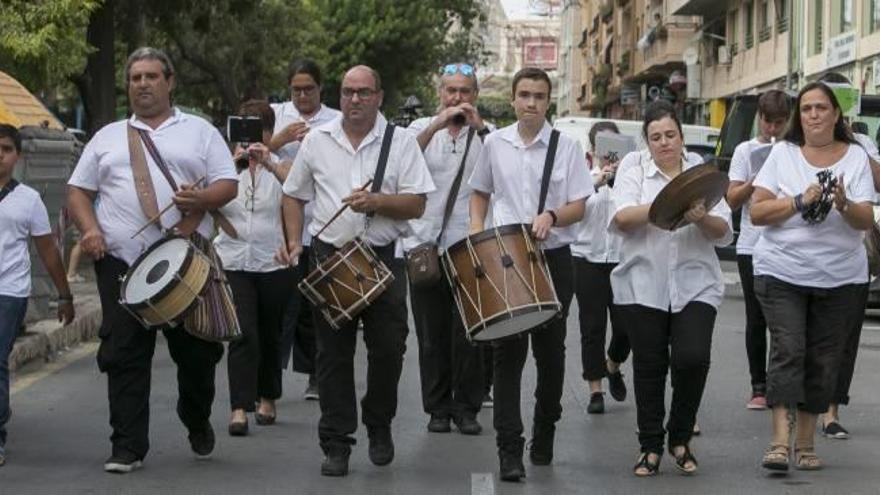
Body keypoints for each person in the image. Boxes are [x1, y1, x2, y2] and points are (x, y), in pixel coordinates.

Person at [67, 47, 238, 473]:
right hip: (120, 262)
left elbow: (228, 184)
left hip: (186, 262)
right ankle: (127, 446)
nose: (142, 84)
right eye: (135, 77)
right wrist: (90, 230)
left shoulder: (199, 132)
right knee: (123, 352)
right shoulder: (106, 137)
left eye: (151, 76)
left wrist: (199, 199)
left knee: (198, 354)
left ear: (170, 81)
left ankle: (195, 417)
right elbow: (78, 192)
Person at [279, 65, 434, 477]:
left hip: (381, 256)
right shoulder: (317, 140)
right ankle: (336, 442)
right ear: (340, 95)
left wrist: (378, 202)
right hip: (330, 256)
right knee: (332, 355)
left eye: (364, 92)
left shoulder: (400, 143)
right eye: (348, 92)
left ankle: (378, 422)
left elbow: (418, 203)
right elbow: (293, 195)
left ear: (379, 97)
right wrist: (295, 242)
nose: (355, 100)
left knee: (389, 348)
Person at [468, 67, 590, 482]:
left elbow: (580, 204)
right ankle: (509, 449)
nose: (531, 103)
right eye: (524, 95)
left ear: (548, 100)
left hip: (553, 258)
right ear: (513, 100)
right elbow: (480, 192)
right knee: (507, 356)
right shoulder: (495, 143)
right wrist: (475, 233)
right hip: (507, 257)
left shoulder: (566, 146)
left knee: (551, 355)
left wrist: (553, 215)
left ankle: (545, 431)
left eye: (539, 96)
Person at [750, 82, 874, 472]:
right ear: (797, 117)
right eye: (806, 109)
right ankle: (778, 441)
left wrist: (843, 203)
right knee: (788, 349)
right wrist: (798, 201)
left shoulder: (856, 157)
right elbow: (757, 213)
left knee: (823, 360)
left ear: (837, 115)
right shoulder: (782, 155)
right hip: (782, 270)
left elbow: (866, 219)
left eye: (822, 108)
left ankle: (805, 444)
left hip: (841, 278)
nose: (814, 115)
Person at [610, 100, 732, 477]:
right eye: (656, 137)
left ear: (681, 136)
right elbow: (622, 218)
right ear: (647, 142)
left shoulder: (702, 173)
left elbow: (724, 232)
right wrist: (668, 204)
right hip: (643, 282)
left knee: (692, 359)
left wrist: (701, 217)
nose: (664, 143)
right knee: (649, 366)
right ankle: (649, 446)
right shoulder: (634, 169)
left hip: (696, 283)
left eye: (670, 135)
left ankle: (679, 438)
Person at [404, 62, 492, 436]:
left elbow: (503, 170)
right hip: (425, 246)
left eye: (465, 91)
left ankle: (467, 407)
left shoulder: (489, 134)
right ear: (440, 93)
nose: (458, 98)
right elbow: (400, 160)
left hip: (472, 246)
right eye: (451, 91)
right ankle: (437, 409)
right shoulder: (418, 129)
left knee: (471, 333)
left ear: (475, 96)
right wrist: (436, 124)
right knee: (431, 335)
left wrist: (482, 129)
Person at [215, 100, 293, 436]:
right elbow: (207, 201)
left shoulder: (283, 164)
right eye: (245, 129)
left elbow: (298, 188)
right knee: (243, 332)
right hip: (233, 259)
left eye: (259, 129)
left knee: (270, 332)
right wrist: (232, 167)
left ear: (269, 132)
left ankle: (267, 396)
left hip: (273, 261)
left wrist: (268, 161)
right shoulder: (222, 167)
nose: (251, 137)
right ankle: (238, 407)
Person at [0, 124, 75, 467]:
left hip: (9, 292)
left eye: (5, 149)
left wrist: (65, 295)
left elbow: (47, 251)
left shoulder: (28, 200)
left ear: (17, 156)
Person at [272, 59, 342, 400]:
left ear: (320, 89)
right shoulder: (275, 115)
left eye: (309, 89)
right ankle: (270, 379)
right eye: (296, 89)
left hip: (322, 224)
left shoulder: (336, 121)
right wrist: (278, 138)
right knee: (282, 304)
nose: (302, 95)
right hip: (281, 225)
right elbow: (241, 156)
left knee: (317, 302)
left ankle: (316, 374)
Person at [815, 72, 879, 440]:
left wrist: (853, 141)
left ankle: (831, 409)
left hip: (850, 255)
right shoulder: (797, 144)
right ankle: (803, 402)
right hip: (805, 258)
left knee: (843, 337)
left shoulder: (862, 143)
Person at [725, 90, 791, 411]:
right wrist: (755, 180)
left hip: (785, 244)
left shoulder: (793, 151)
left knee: (785, 319)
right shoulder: (744, 150)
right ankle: (758, 385)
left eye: (779, 123)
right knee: (756, 318)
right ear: (759, 120)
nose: (773, 130)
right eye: (768, 122)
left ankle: (781, 384)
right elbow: (732, 199)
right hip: (751, 244)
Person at [575, 121, 630, 415]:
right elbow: (572, 211)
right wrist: (597, 180)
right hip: (586, 258)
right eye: (604, 148)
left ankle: (612, 365)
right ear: (594, 150)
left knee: (626, 327)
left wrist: (621, 178)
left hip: (621, 259)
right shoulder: (583, 177)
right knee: (592, 327)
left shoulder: (629, 179)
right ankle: (595, 389)